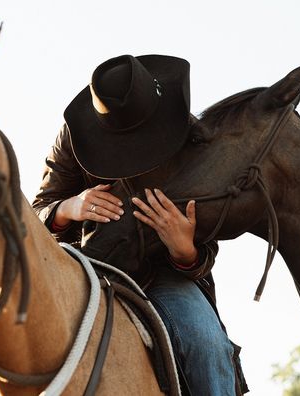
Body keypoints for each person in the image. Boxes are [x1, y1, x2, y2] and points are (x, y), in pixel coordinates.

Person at [32, 54, 247, 395]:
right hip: (87, 268)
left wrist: (185, 249)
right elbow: (38, 211)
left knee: (208, 345)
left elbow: (210, 238)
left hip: (163, 275)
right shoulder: (74, 137)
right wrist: (69, 208)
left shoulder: (191, 138)